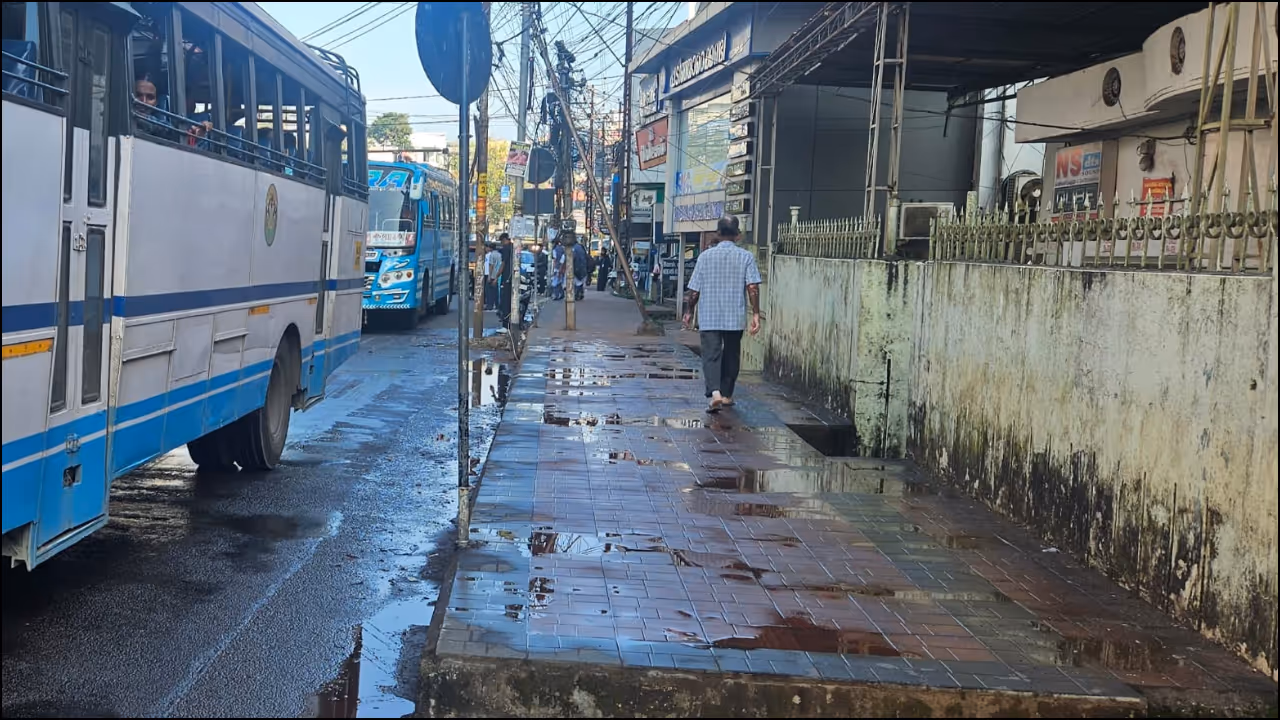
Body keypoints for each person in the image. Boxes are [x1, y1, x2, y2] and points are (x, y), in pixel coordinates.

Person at [683, 215, 762, 413]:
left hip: (709, 316)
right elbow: (752, 287)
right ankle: (726, 395)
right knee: (732, 355)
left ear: (718, 234)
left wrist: (689, 311)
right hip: (734, 316)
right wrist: (756, 314)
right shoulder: (746, 257)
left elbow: (694, 291)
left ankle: (715, 393)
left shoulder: (705, 257)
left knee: (711, 354)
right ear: (738, 235)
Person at [497, 233, 515, 328]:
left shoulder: (506, 249)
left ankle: (505, 324)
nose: (502, 243)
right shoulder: (514, 247)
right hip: (513, 277)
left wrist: (496, 276)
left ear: (504, 240)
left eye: (502, 241)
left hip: (507, 277)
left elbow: (503, 264)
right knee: (510, 300)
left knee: (505, 301)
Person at [483, 241, 502, 310]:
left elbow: (491, 265)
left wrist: (489, 276)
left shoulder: (491, 255)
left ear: (490, 248)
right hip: (498, 274)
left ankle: (489, 305)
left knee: (488, 291)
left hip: (492, 275)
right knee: (496, 291)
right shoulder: (499, 255)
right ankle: (497, 305)